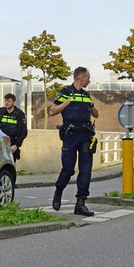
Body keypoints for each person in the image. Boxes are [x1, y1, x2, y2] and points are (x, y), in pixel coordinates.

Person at [49, 67, 99, 216]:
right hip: (71, 135)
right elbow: (52, 111)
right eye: (88, 78)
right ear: (81, 78)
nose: (89, 80)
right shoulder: (65, 92)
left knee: (86, 169)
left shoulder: (86, 94)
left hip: (85, 134)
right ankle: (58, 191)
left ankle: (81, 203)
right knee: (68, 169)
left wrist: (92, 106)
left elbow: (96, 114)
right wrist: (66, 103)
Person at [0, 93, 27, 162]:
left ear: (13, 102)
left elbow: (24, 131)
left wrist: (16, 145)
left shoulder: (19, 114)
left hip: (12, 145)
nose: (6, 103)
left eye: (9, 101)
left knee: (10, 167)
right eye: (5, 101)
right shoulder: (0, 112)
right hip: (0, 144)